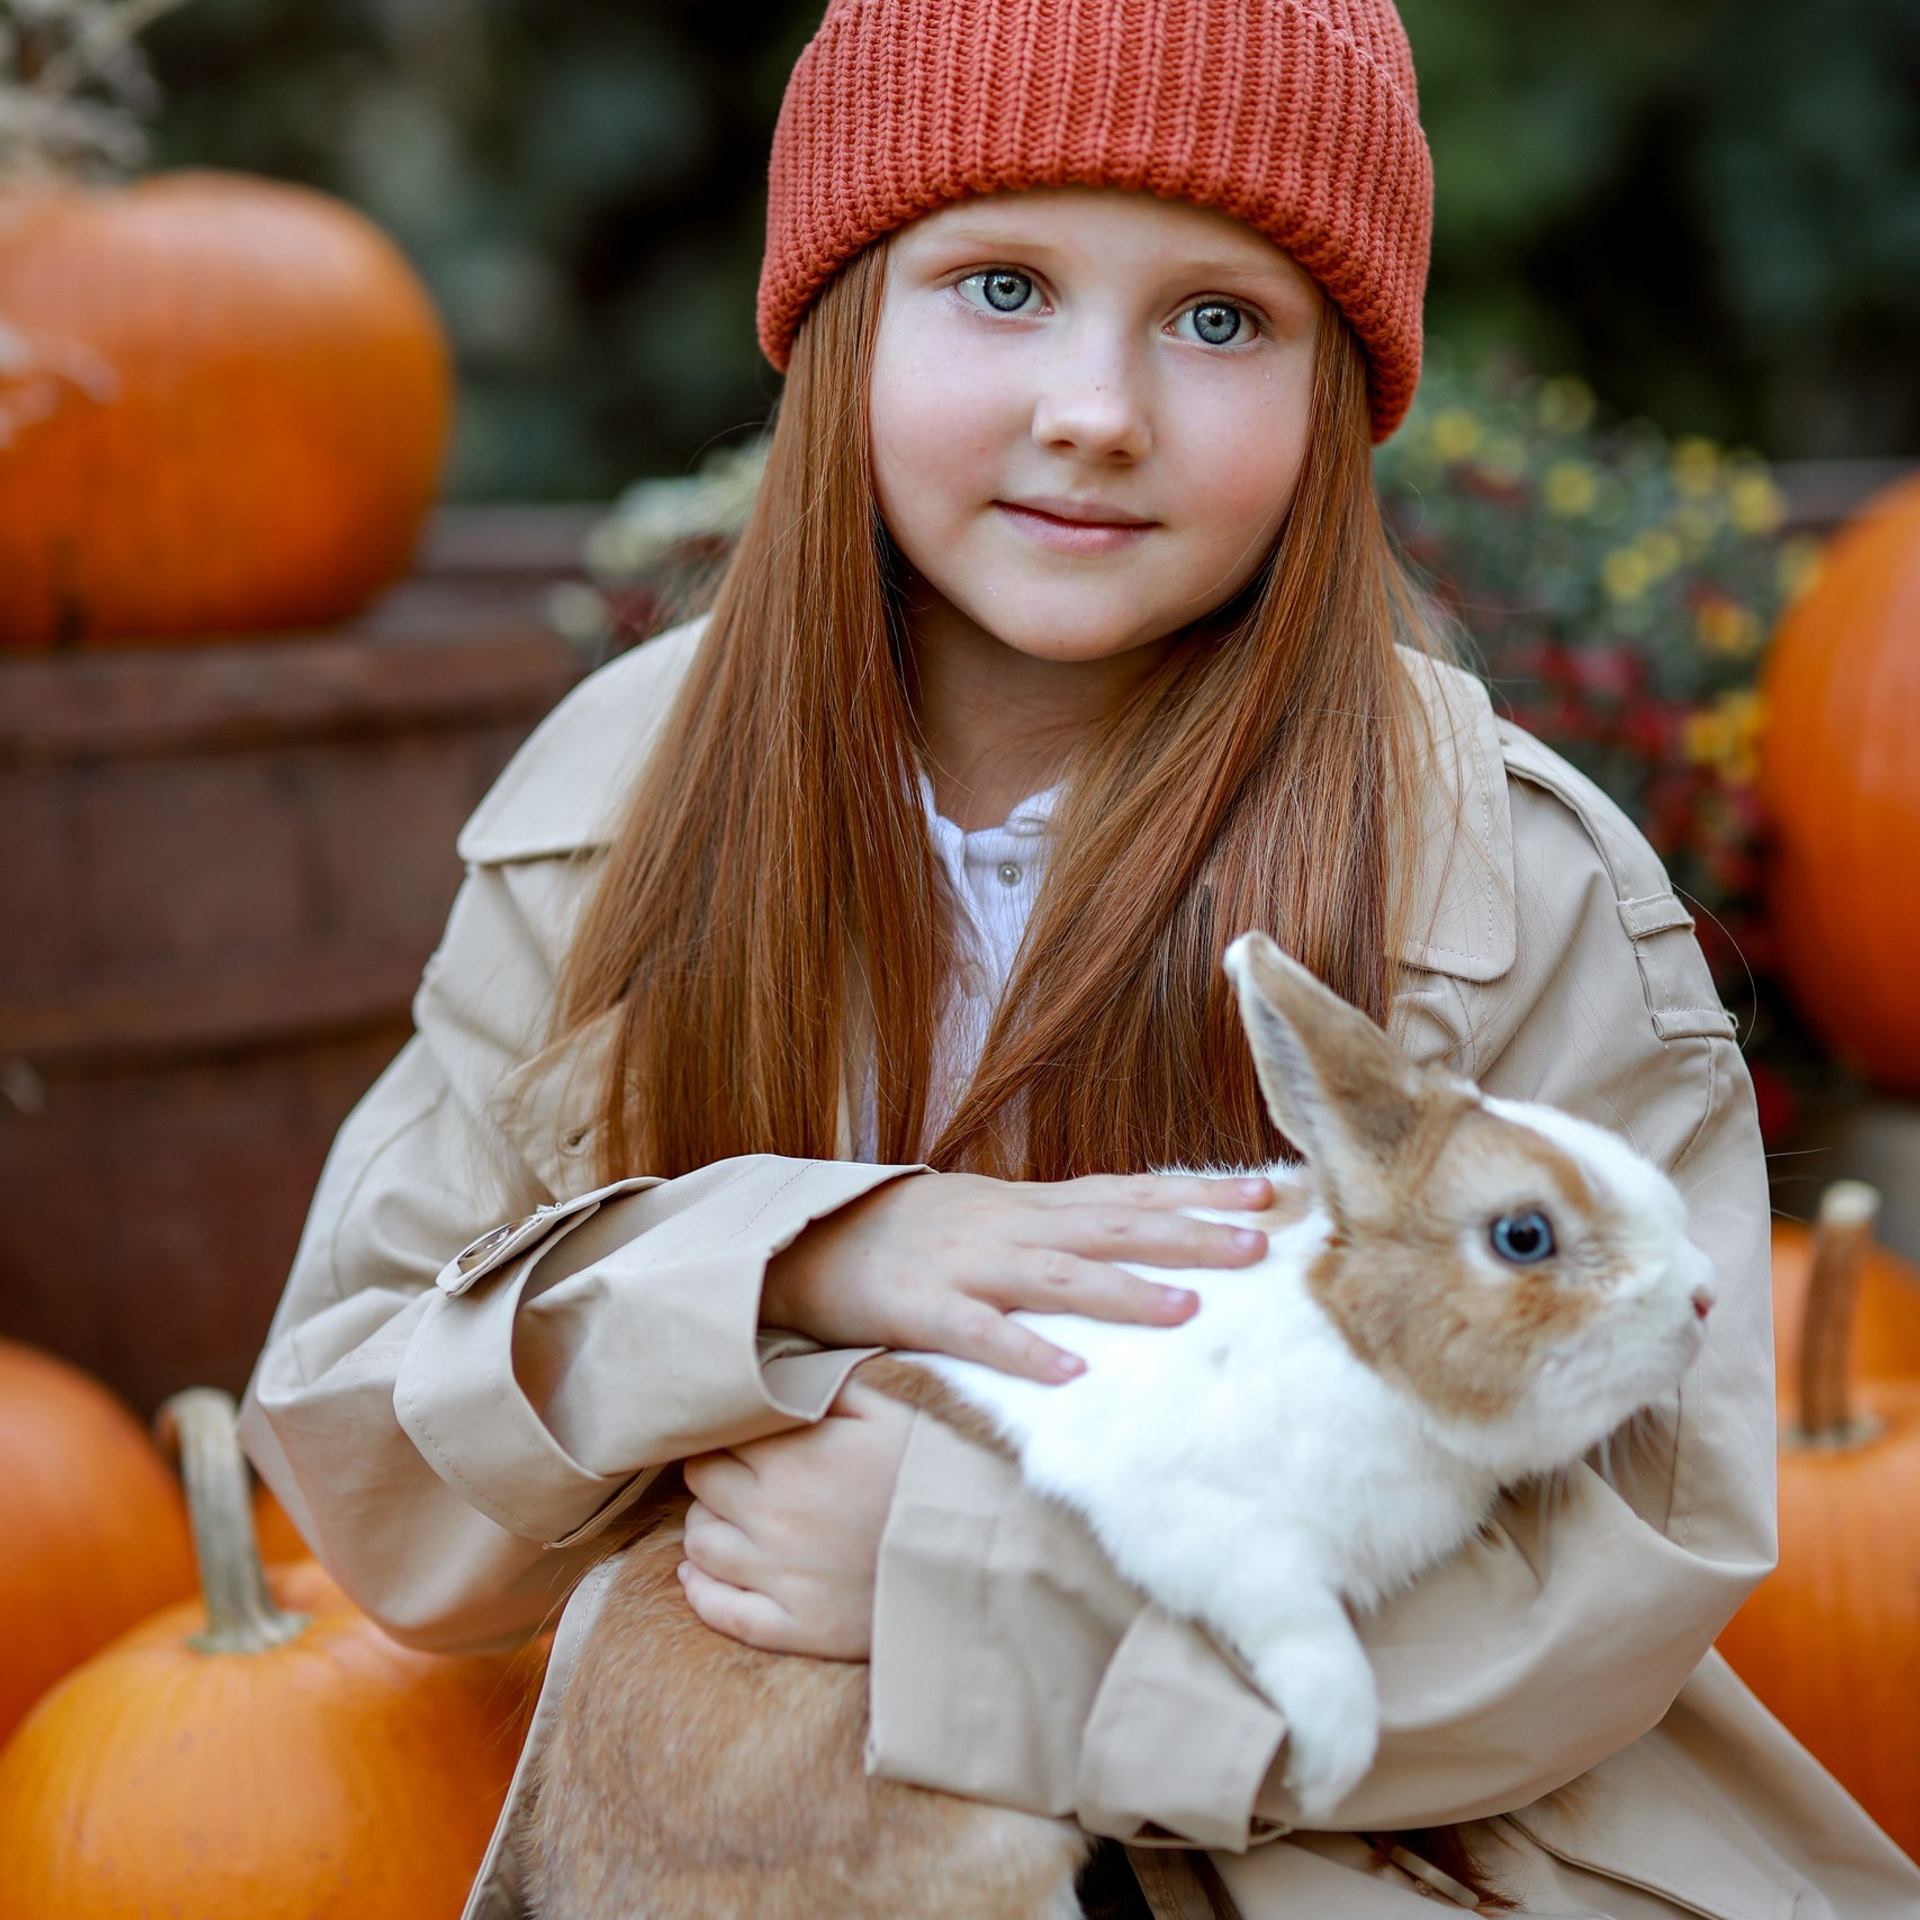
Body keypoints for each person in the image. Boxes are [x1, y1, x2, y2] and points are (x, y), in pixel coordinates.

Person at [239, 1, 1920, 1913]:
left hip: (1364, 1849)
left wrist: (989, 1591)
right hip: (780, 1833)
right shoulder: (625, 804)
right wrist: (800, 1259)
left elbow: (1637, 1553)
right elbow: (373, 1458)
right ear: (845, 313)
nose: (1100, 410)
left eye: (1221, 320)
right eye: (1005, 283)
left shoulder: (1498, 877)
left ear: (1336, 390)